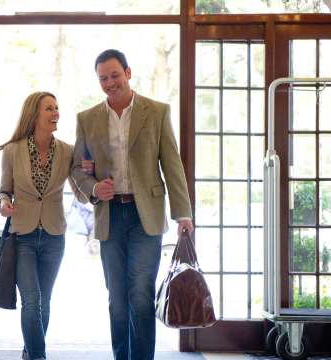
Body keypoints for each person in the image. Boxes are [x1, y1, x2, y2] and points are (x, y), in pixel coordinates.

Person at [71, 49, 194, 360]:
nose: (110, 83)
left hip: (146, 216)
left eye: (114, 75)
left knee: (140, 294)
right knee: (117, 299)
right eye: (103, 78)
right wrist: (95, 187)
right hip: (110, 215)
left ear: (128, 72)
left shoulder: (156, 112)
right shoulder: (87, 119)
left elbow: (172, 163)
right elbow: (77, 169)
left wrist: (183, 213)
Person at [0, 92, 88, 360]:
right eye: (49, 108)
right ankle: (39, 356)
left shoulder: (68, 151)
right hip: (22, 235)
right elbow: (4, 191)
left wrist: (90, 174)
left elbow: (81, 194)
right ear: (34, 114)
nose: (56, 113)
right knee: (32, 300)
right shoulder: (13, 151)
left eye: (57, 108)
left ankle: (30, 352)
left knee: (44, 303)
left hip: (54, 236)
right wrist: (3, 204)